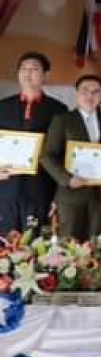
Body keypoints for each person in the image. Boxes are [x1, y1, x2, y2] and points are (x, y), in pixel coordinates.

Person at [40, 75, 101, 242]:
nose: (90, 95)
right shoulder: (63, 120)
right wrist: (68, 179)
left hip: (100, 196)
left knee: (96, 246)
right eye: (85, 90)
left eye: (96, 92)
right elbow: (47, 156)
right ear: (76, 94)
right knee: (69, 246)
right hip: (71, 195)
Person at [0, 52, 67, 232]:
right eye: (23, 69)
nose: (27, 73)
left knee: (35, 241)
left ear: (45, 75)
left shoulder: (58, 109)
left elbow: (62, 153)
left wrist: (58, 195)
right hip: (6, 185)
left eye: (34, 69)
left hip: (40, 186)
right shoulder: (3, 106)